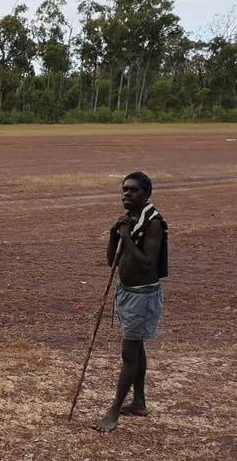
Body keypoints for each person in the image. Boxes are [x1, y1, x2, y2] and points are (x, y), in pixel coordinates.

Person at [94, 172, 168, 433]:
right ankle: (138, 402)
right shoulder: (130, 221)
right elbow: (111, 261)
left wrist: (125, 236)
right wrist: (115, 233)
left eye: (133, 191)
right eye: (125, 190)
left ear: (146, 195)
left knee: (129, 353)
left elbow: (148, 261)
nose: (127, 194)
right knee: (136, 348)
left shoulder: (153, 223)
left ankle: (114, 411)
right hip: (127, 292)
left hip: (142, 296)